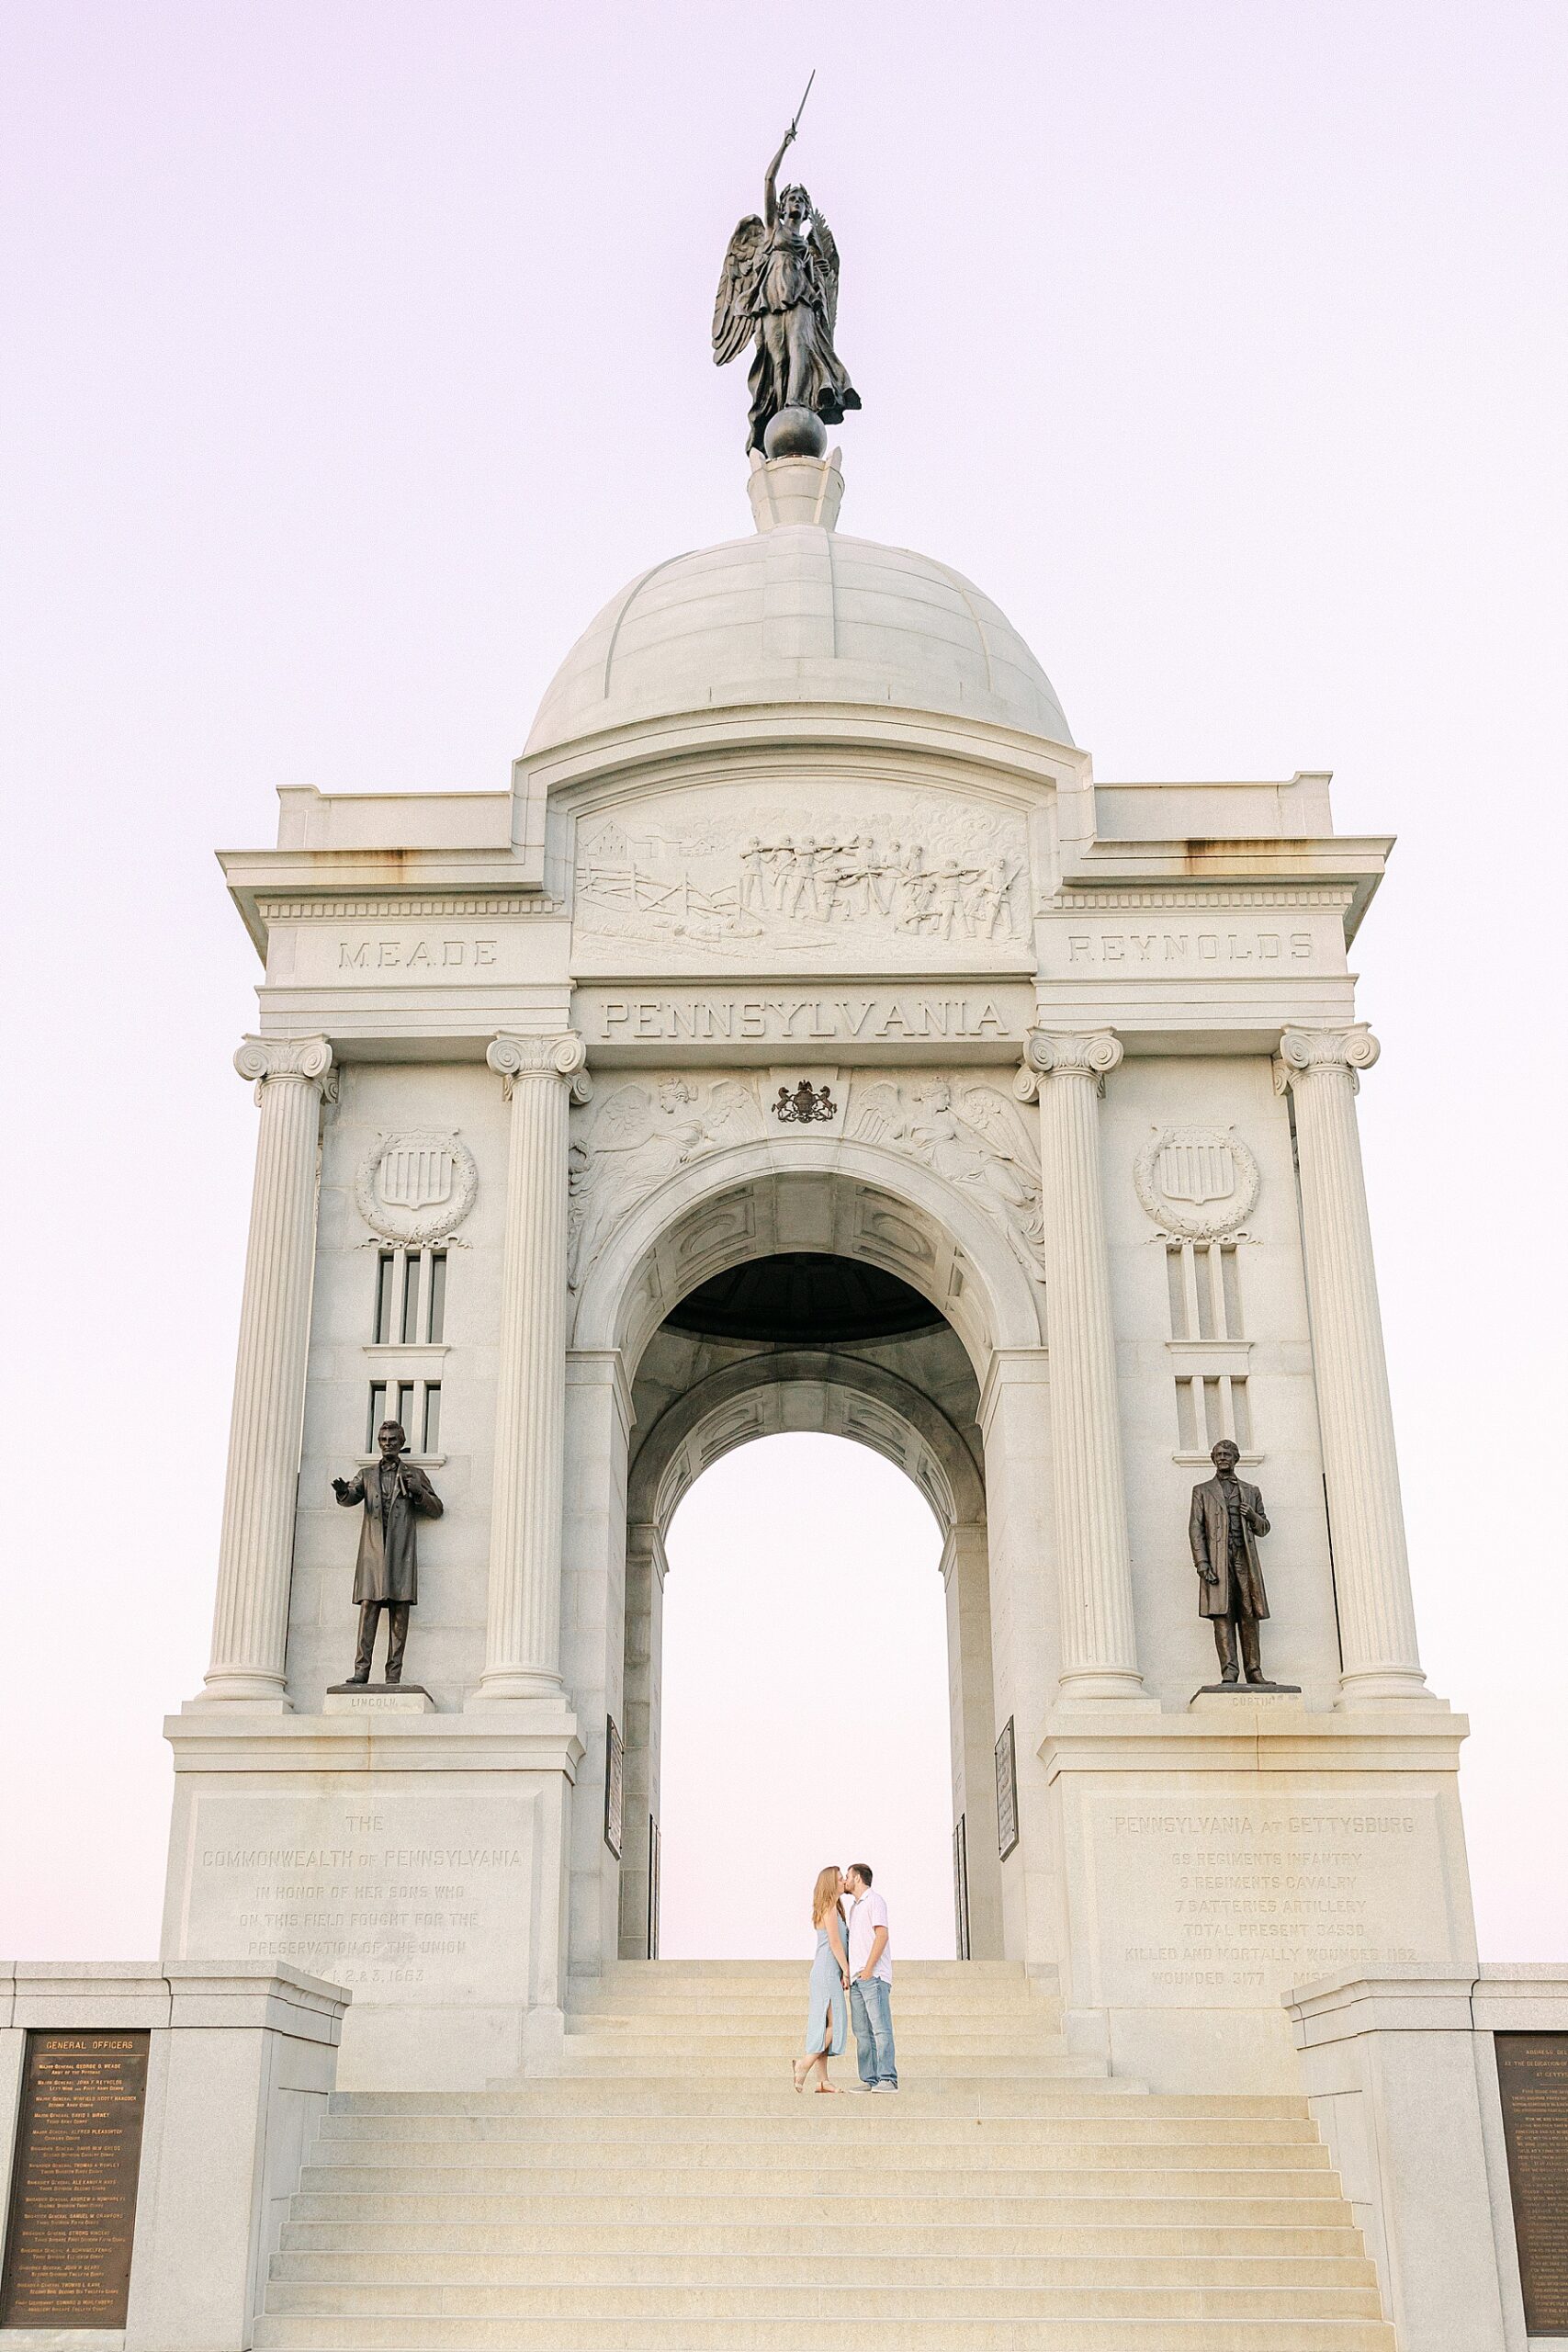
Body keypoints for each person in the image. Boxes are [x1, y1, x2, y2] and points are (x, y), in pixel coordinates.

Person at [332, 1419, 443, 1685]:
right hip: (372, 1554)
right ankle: (362, 1670)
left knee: (399, 1611)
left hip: (401, 1553)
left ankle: (393, 1674)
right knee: (368, 1607)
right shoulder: (367, 1475)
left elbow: (436, 1508)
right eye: (383, 1440)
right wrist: (341, 1492)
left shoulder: (414, 1474)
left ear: (401, 1442)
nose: (387, 1444)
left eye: (392, 1440)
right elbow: (351, 1497)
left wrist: (418, 1493)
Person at [1189, 1437, 1272, 1684]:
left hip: (1244, 1560)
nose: (1222, 1458)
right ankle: (1229, 1671)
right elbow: (1196, 1527)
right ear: (1213, 1459)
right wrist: (1202, 1564)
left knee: (1249, 1614)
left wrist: (1253, 1515)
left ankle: (1254, 1671)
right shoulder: (1202, 1491)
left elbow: (1264, 1528)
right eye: (1218, 1455)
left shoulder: (1251, 1491)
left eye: (1227, 1454)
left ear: (1235, 1459)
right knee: (1222, 1615)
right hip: (1217, 1560)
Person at [793, 1867, 850, 2094]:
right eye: (840, 1878)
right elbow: (835, 1943)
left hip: (826, 1971)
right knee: (835, 2027)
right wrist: (846, 1971)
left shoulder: (834, 1907)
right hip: (827, 1971)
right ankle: (803, 2065)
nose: (844, 1880)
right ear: (830, 1883)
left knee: (825, 2025)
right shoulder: (828, 1908)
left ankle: (823, 2081)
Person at [844, 1862, 897, 2093]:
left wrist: (868, 1968)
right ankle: (871, 2079)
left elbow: (882, 1935)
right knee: (862, 2032)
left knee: (880, 2028)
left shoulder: (875, 1901)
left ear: (857, 1878)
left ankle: (888, 2078)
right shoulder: (855, 1908)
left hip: (873, 1976)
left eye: (847, 1876)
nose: (845, 1881)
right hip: (857, 1979)